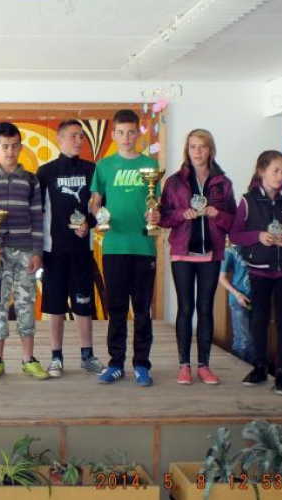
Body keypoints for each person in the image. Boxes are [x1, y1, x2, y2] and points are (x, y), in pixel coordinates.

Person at [89, 109, 161, 387]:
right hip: (114, 247)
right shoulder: (104, 166)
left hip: (144, 246)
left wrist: (156, 215)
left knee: (142, 310)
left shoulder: (150, 164)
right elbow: (95, 202)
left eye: (131, 132)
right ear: (114, 134)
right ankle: (115, 363)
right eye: (121, 132)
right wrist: (98, 214)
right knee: (117, 308)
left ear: (138, 132)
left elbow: (157, 204)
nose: (127, 137)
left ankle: (142, 365)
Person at [160, 129, 236, 385]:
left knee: (205, 308)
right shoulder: (174, 182)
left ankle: (204, 365)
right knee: (185, 308)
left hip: (211, 254)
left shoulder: (223, 182)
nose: (198, 152)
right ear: (187, 150)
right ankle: (184, 365)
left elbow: (233, 221)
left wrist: (218, 214)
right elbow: (163, 217)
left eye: (202, 146)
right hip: (182, 253)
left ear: (210, 149)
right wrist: (181, 214)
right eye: (193, 146)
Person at [230, 150, 282, 395]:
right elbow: (235, 235)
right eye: (276, 170)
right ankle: (260, 368)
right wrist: (258, 236)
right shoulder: (247, 201)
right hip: (259, 272)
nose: (280, 175)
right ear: (262, 171)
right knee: (259, 321)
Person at [0, 122, 48, 381]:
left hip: (26, 252)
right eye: (5, 147)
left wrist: (37, 252)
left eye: (15, 146)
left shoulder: (31, 180)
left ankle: (28, 360)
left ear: (20, 148)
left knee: (26, 305)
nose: (10, 151)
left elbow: (38, 218)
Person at [36, 119, 103, 378]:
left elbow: (101, 208)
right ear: (60, 139)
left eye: (81, 136)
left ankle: (87, 356)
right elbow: (37, 211)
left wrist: (90, 223)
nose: (78, 140)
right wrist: (37, 250)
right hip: (53, 251)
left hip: (82, 251)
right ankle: (56, 357)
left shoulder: (92, 170)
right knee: (55, 306)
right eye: (73, 135)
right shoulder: (45, 172)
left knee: (84, 304)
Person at [219, 242, 253, 364]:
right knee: (242, 339)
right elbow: (222, 278)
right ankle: (239, 369)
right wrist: (238, 294)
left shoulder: (258, 248)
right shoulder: (230, 251)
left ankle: (252, 369)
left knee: (253, 339)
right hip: (238, 300)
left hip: (257, 300)